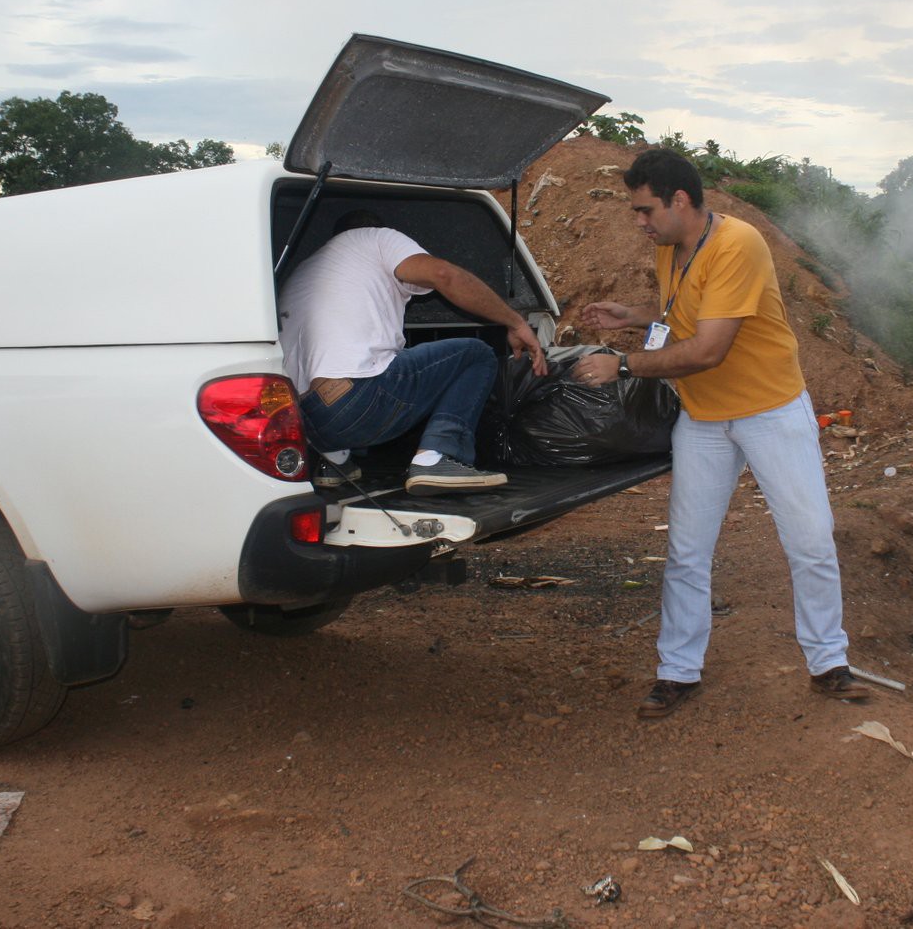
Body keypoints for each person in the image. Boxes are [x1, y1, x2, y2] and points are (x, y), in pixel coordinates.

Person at [575, 149, 866, 718]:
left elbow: (709, 348)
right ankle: (677, 671)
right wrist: (634, 316)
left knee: (809, 541)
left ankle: (829, 663)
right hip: (705, 418)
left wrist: (624, 363)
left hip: (770, 411)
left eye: (644, 210)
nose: (639, 222)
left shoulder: (739, 243)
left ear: (679, 201)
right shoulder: (671, 246)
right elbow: (682, 309)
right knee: (687, 551)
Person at [279, 208, 545, 494]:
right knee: (475, 355)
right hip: (358, 400)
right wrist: (515, 321)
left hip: (308, 424)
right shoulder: (378, 239)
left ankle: (334, 462)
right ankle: (437, 456)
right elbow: (444, 275)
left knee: (364, 366)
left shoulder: (307, 268)